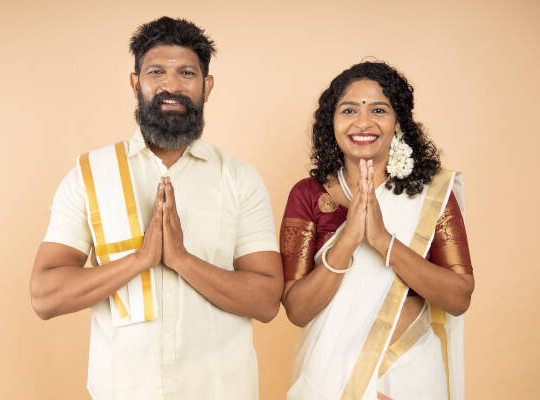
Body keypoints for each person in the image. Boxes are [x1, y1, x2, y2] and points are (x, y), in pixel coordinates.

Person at [30, 16, 283, 400]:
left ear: (207, 86)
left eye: (186, 73)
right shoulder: (90, 174)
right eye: (156, 73)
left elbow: (266, 301)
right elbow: (44, 295)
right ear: (136, 83)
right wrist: (140, 260)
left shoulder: (240, 179)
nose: (171, 86)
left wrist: (181, 259)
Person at [280, 62, 474, 399]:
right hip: (330, 374)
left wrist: (383, 240)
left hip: (411, 372)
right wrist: (351, 237)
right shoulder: (308, 195)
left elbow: (459, 297)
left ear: (398, 122)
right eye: (349, 109)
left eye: (379, 110)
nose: (363, 122)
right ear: (333, 121)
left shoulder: (430, 195)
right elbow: (296, 309)